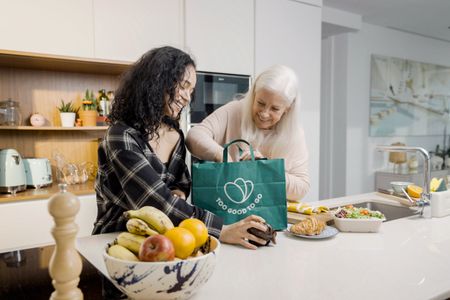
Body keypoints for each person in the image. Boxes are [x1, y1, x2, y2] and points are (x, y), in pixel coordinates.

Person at [92, 46, 268, 250]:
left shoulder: (175, 133)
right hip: (117, 241)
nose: (187, 97)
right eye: (183, 86)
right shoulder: (121, 136)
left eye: (191, 90)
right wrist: (223, 230)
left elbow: (181, 181)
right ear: (157, 82)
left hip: (167, 240)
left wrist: (179, 192)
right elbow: (156, 202)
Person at [186, 65, 310, 201]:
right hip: (229, 210)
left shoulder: (294, 133)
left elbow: (301, 189)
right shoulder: (234, 111)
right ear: (254, 94)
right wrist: (222, 155)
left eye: (275, 108)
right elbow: (194, 135)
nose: (264, 113)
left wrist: (265, 168)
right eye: (261, 103)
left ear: (288, 108)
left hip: (270, 216)